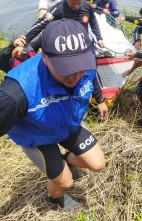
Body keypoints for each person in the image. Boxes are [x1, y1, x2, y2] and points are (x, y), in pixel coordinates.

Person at [0, 20, 106, 210]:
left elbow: (92, 76)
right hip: (37, 135)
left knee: (98, 163)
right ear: (44, 57)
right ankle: (53, 198)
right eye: (66, 69)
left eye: (80, 66)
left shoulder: (87, 64)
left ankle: (64, 163)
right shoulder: (16, 93)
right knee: (65, 183)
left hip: (68, 123)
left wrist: (100, 99)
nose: (75, 77)